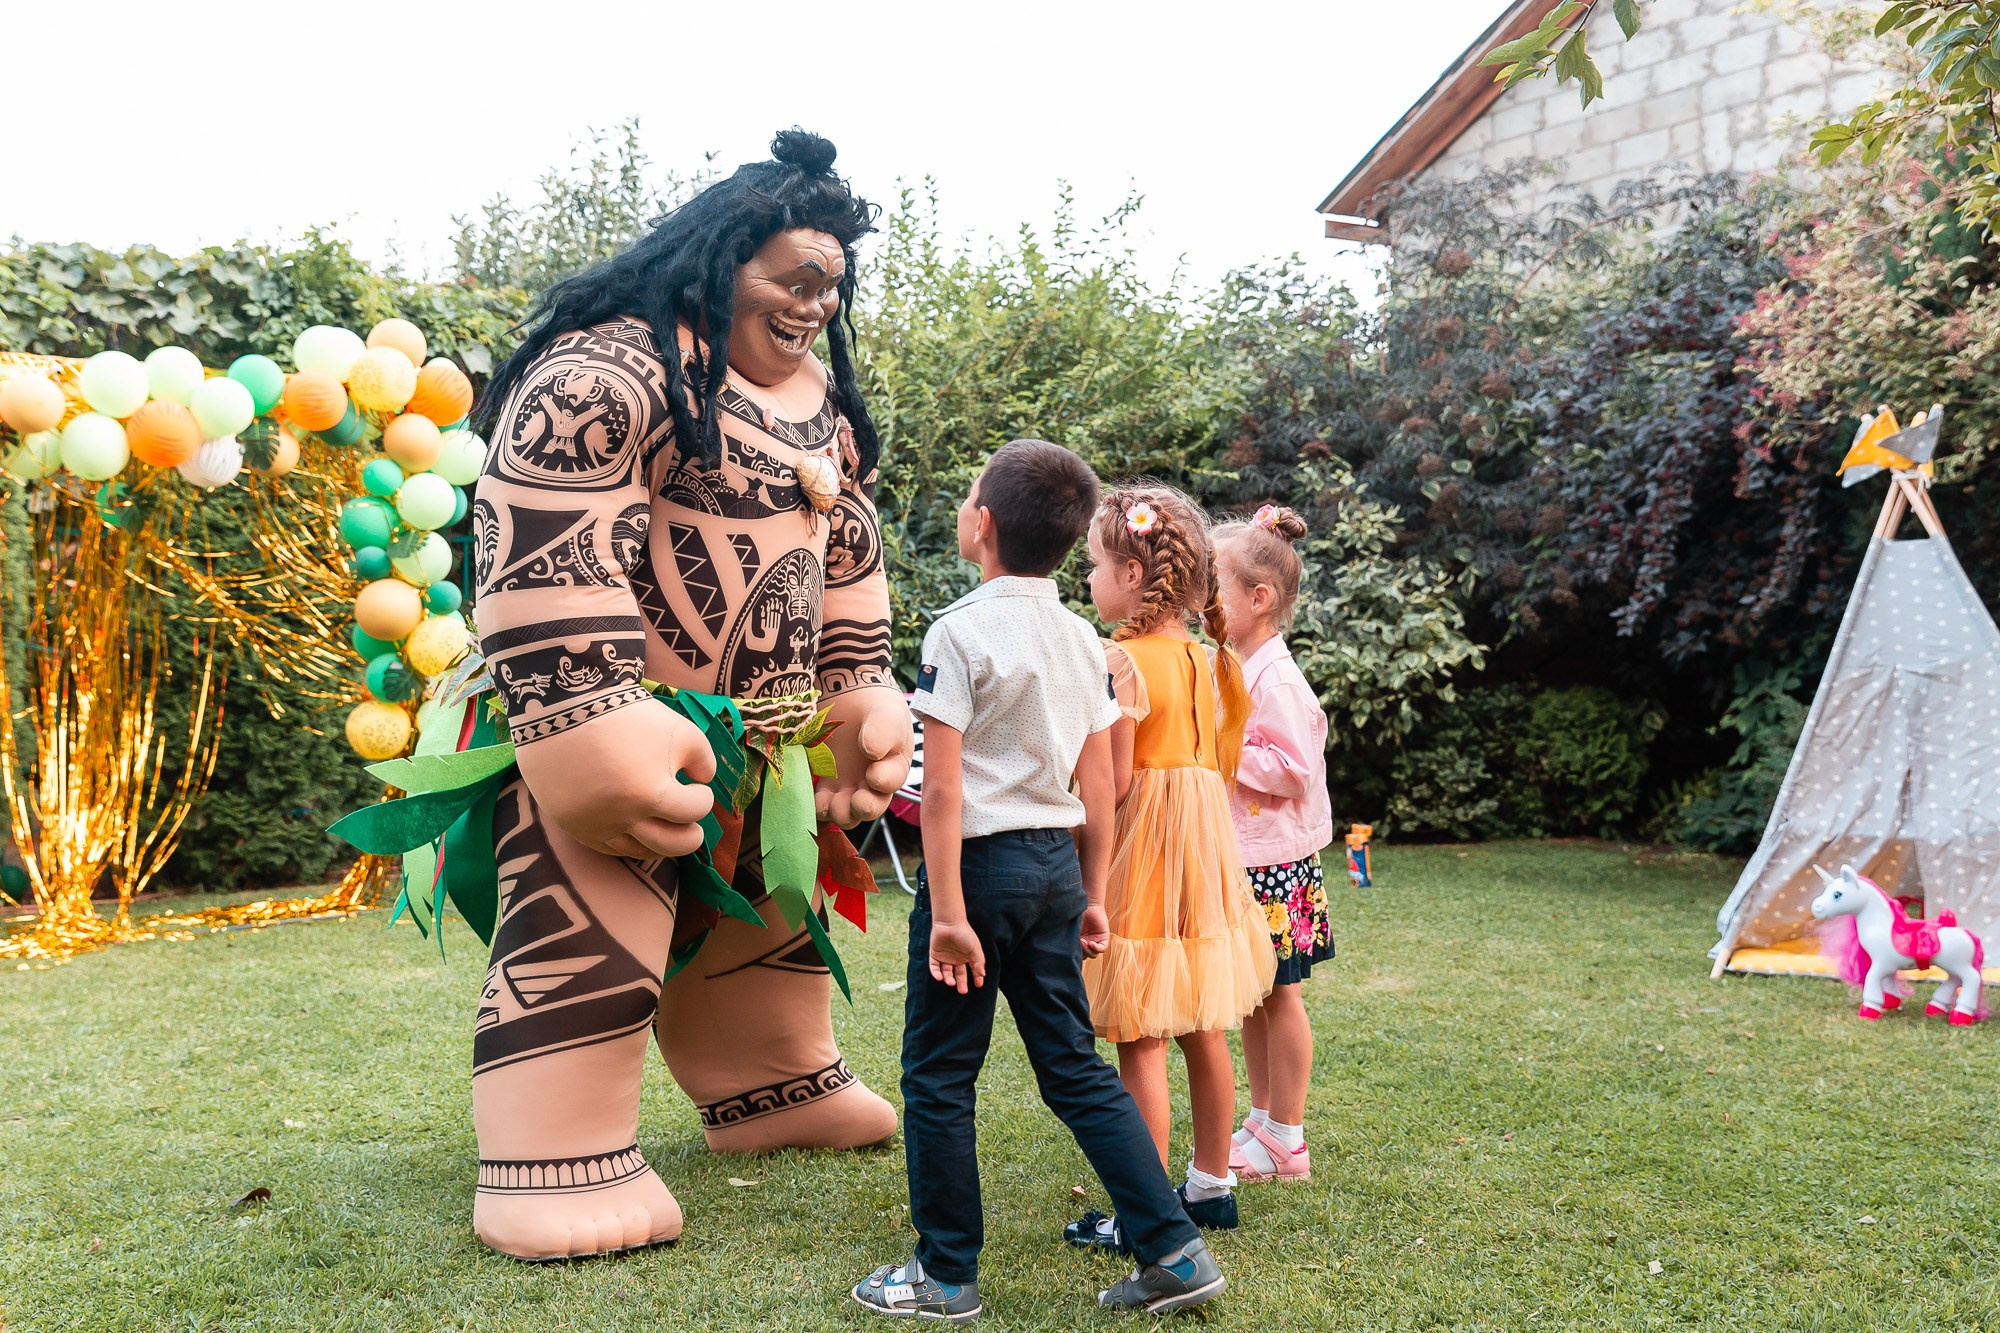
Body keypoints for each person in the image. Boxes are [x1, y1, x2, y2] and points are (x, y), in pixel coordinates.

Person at [459, 129, 911, 1261]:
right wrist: (579, 709)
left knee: (770, 916)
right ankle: (549, 1153)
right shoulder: (613, 372)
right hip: (620, 724)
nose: (816, 305)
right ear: (719, 263)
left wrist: (859, 681)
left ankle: (770, 1080)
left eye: (830, 286)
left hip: (765, 740)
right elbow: (544, 520)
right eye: (794, 279)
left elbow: (843, 547)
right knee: (595, 919)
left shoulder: (818, 407)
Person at [851, 442, 1226, 1323]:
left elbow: (939, 788)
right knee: (1074, 1070)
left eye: (969, 495)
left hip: (977, 876)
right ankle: (1175, 1249)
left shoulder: (958, 631)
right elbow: (1100, 788)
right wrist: (1093, 894)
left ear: (982, 524)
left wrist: (947, 914)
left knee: (940, 1075)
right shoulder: (1082, 641)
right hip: (1056, 870)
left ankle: (945, 1273)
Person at [1066, 485, 1277, 1249]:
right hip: (1202, 849)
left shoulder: (1119, 659)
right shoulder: (1209, 658)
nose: (1086, 580)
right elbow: (1216, 761)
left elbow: (1114, 783)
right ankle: (1211, 1185)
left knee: (1141, 1034)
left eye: (1092, 565)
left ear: (1130, 573)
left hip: (1146, 851)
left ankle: (1141, 1211)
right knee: (1200, 1023)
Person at [1213, 505, 1334, 1183]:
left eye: (1213, 590)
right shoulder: (1238, 664)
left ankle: (1288, 1135)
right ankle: (1262, 1121)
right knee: (1256, 993)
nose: (1202, 603)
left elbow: (1295, 768)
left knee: (1280, 993)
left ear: (1259, 600)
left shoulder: (1278, 678)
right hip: (1249, 862)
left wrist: (1224, 745)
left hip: (1278, 869)